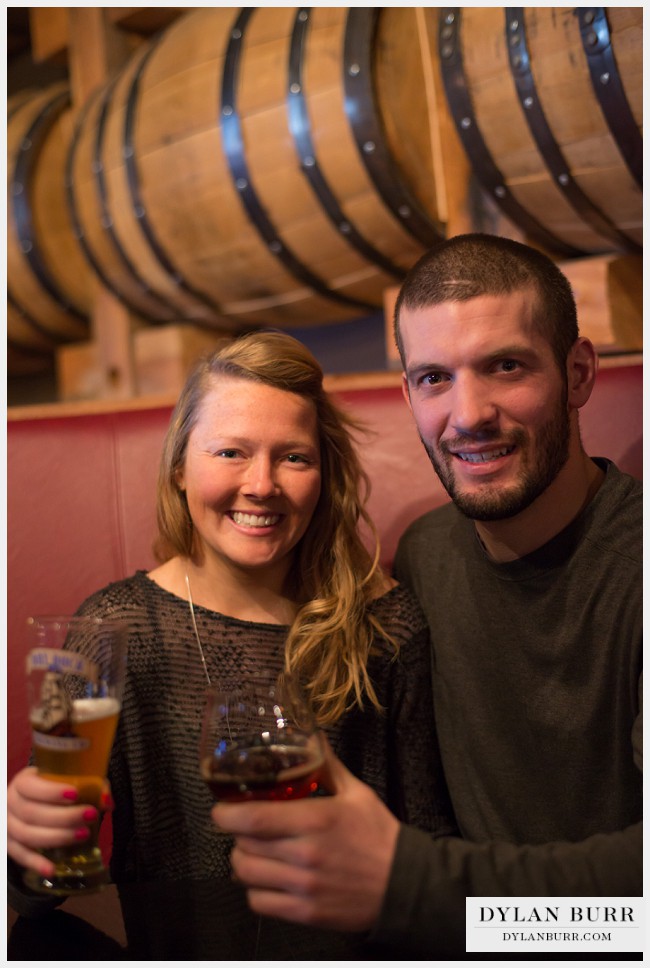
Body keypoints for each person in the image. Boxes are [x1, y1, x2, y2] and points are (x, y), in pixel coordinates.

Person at [209, 235, 642, 956]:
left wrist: (414, 887)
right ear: (408, 392)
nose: (468, 413)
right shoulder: (426, 554)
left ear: (578, 373)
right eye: (434, 378)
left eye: (506, 367)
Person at [7, 331, 456, 914]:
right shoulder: (117, 628)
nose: (262, 484)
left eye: (294, 457)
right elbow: (48, 884)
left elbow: (433, 849)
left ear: (325, 478)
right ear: (179, 470)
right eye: (230, 452)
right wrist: (22, 844)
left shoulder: (386, 626)